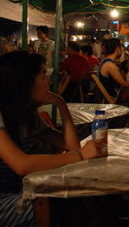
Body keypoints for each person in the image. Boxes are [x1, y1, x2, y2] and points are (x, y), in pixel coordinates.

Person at [0, 51, 104, 226]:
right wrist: (81, 156)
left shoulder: (24, 115)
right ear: (23, 81)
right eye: (43, 75)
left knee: (75, 198)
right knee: (57, 203)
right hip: (4, 197)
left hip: (18, 189)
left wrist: (62, 105)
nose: (49, 81)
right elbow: (21, 165)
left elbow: (71, 146)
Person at [98, 39, 129, 127]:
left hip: (112, 95)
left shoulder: (106, 62)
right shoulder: (110, 65)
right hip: (114, 96)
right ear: (118, 49)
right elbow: (122, 83)